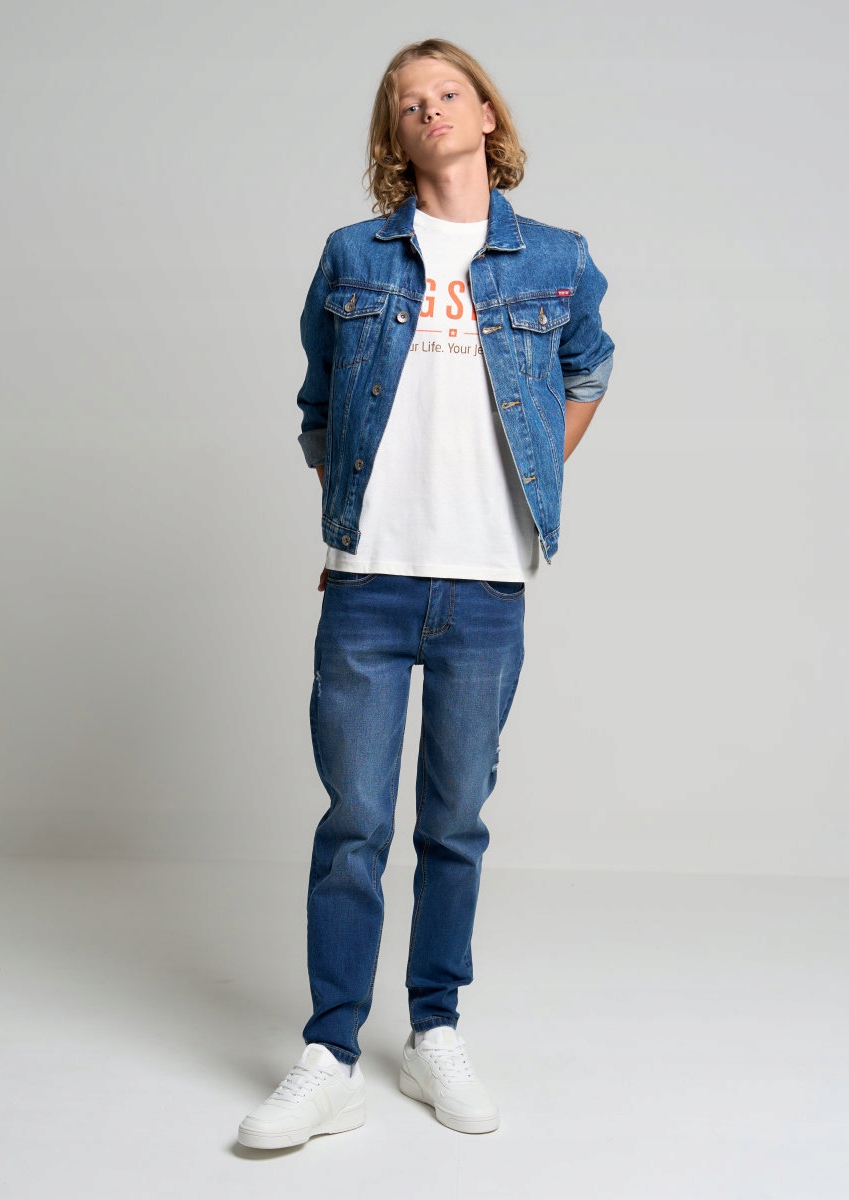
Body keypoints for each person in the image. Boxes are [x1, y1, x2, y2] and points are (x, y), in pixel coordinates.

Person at [238, 37, 614, 1149]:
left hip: (487, 586)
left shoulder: (555, 258)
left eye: (448, 92)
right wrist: (355, 514)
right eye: (408, 102)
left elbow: (586, 370)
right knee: (354, 824)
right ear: (393, 135)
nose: (430, 109)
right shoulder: (353, 255)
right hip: (367, 585)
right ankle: (329, 1056)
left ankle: (433, 1030)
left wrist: (524, 484)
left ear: (487, 113)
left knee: (453, 825)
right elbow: (317, 408)